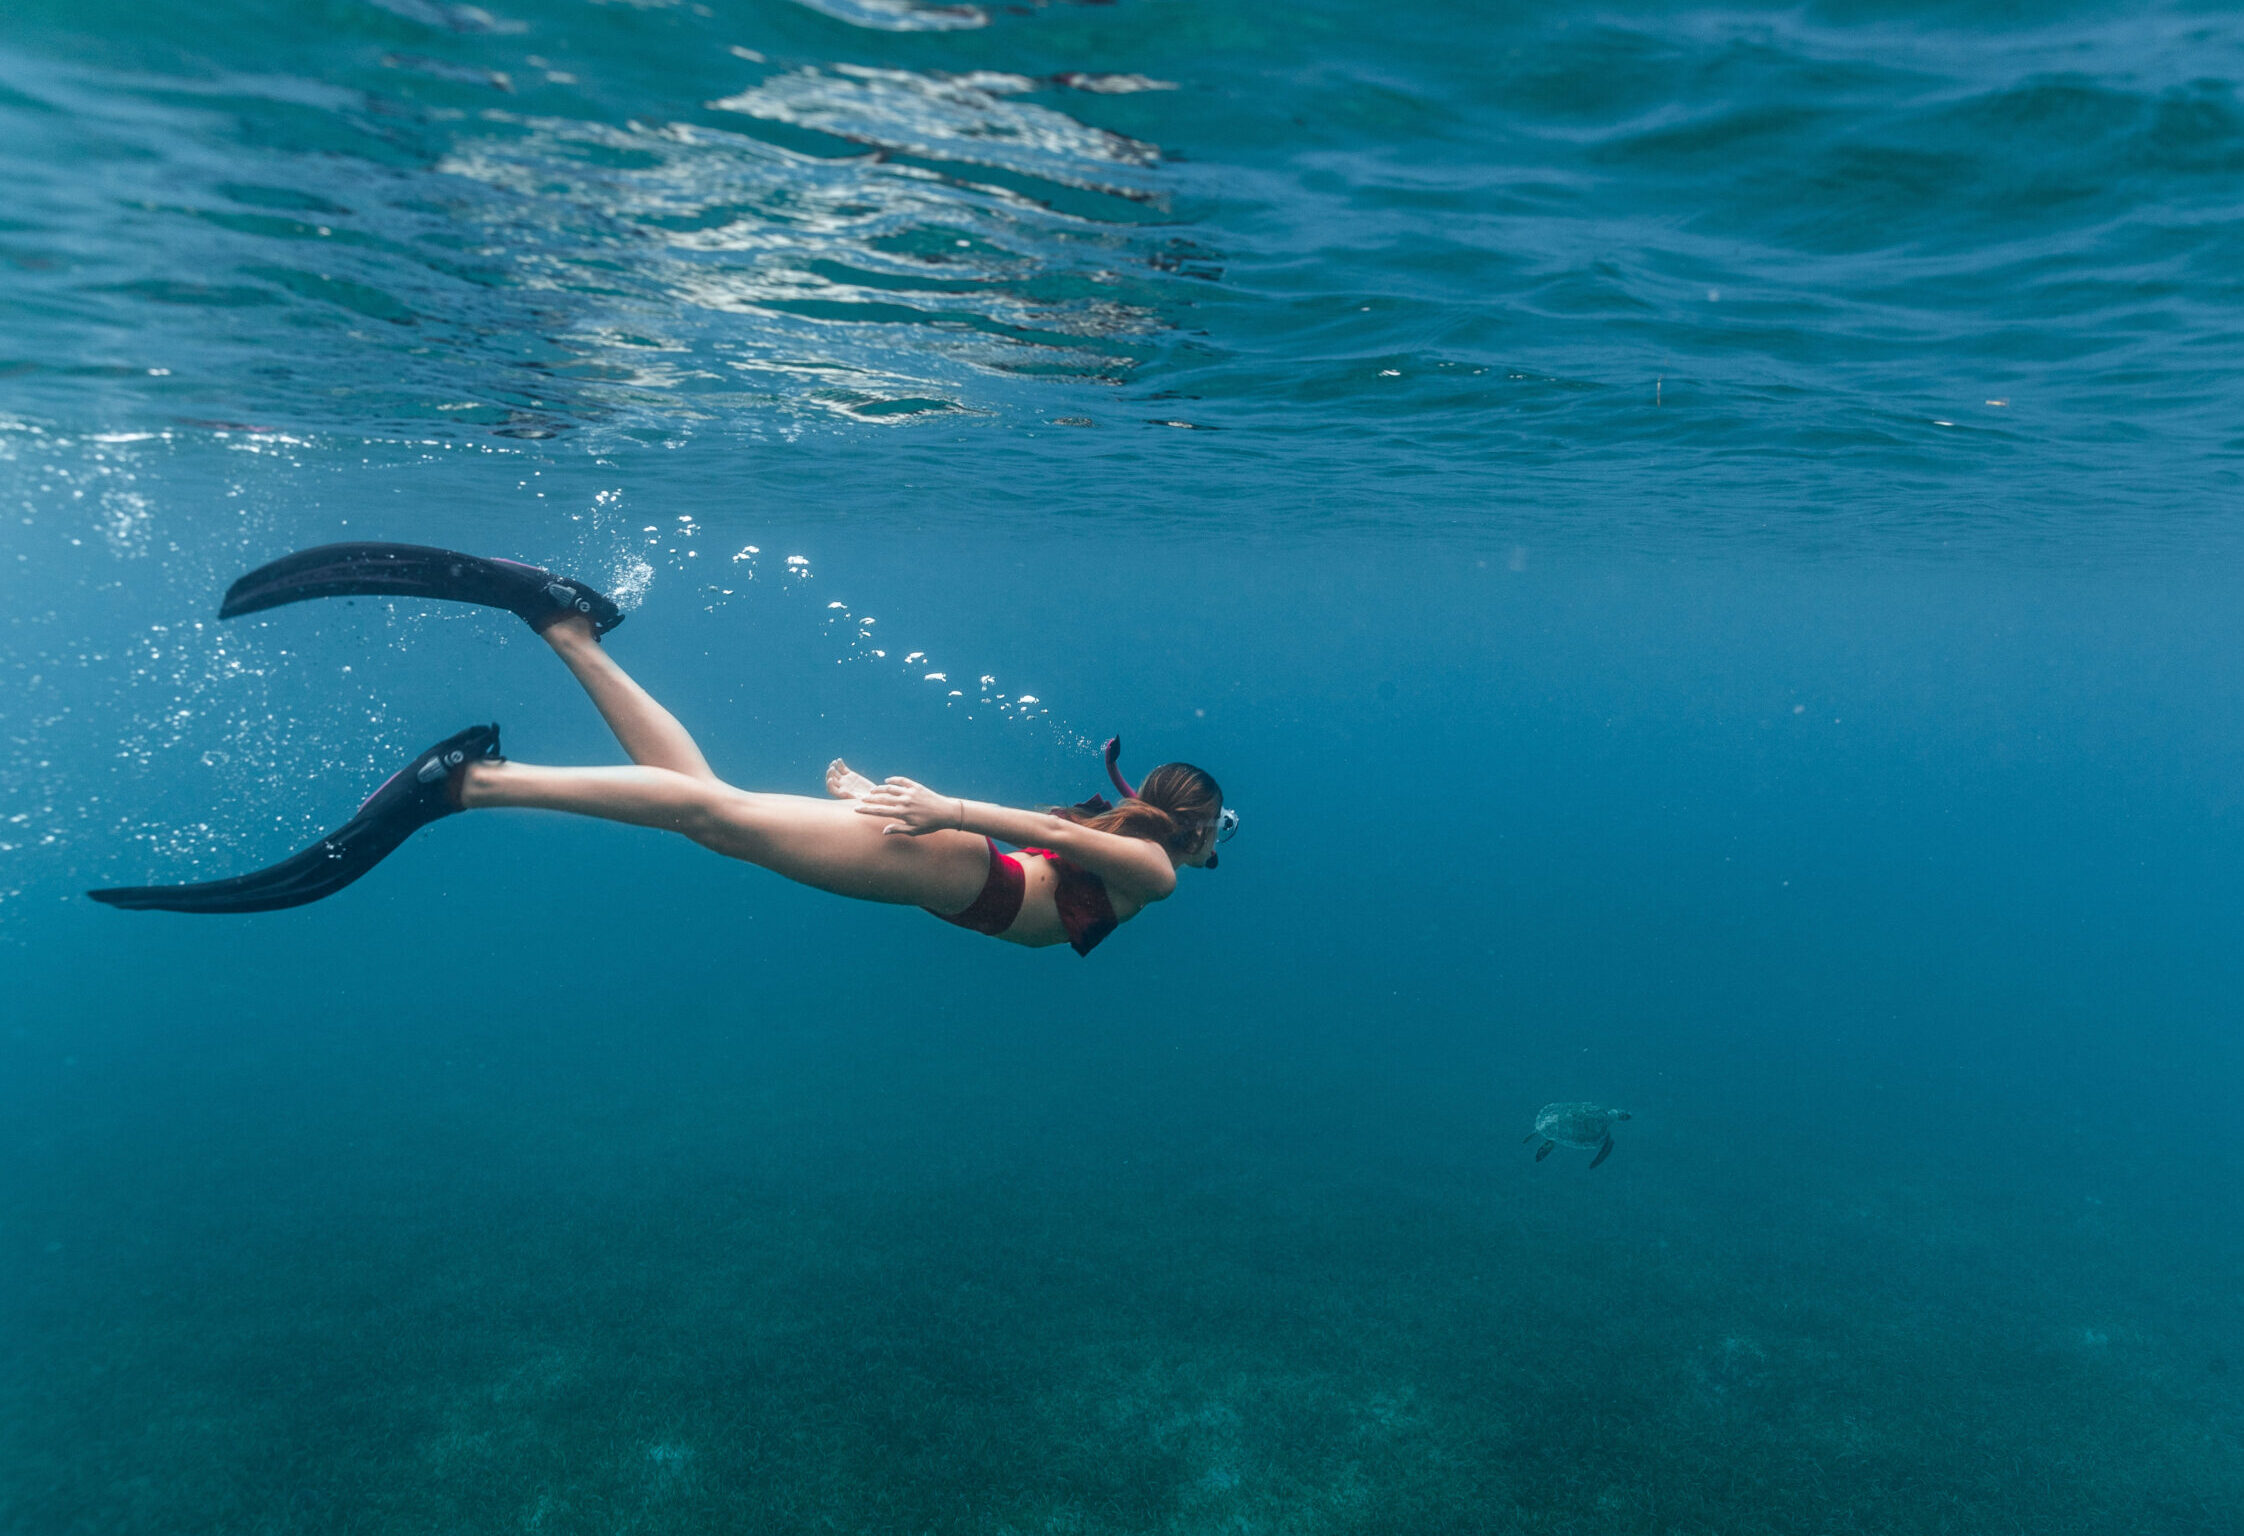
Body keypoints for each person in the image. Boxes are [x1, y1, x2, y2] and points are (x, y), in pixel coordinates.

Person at [89, 545, 1235, 955]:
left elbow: (1046, 836)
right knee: (715, 818)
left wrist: (881, 800)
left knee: (711, 808)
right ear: (1191, 829)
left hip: (962, 873)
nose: (1214, 847)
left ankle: (561, 620)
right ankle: (471, 783)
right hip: (962, 874)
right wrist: (938, 809)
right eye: (1216, 831)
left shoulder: (1127, 842)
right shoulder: (1160, 874)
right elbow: (1037, 834)